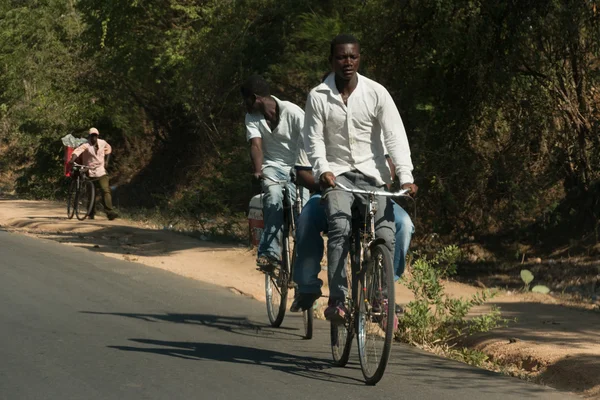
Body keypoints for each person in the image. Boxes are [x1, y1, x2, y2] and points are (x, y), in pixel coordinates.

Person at [304, 34, 417, 323]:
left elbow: (394, 135)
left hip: (373, 177)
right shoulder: (318, 96)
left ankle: (381, 296)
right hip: (337, 176)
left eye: (353, 56)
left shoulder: (376, 93)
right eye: (342, 57)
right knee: (340, 227)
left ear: (360, 58)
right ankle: (338, 300)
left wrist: (405, 176)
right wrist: (322, 170)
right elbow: (314, 139)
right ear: (331, 61)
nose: (348, 62)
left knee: (386, 233)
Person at [241, 75, 307, 272]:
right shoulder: (252, 117)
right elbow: (256, 145)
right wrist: (258, 170)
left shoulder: (294, 113)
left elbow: (309, 145)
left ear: (255, 98)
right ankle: (270, 253)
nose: (244, 105)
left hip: (299, 166)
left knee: (303, 214)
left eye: (245, 100)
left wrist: (303, 170)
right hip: (272, 167)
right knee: (272, 196)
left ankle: (305, 265)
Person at [69, 127, 118, 220]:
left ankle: (109, 212)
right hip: (89, 171)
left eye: (95, 136)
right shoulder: (86, 145)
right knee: (91, 194)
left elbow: (109, 149)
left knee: (105, 190)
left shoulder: (103, 143)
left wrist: (107, 161)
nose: (94, 138)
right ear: (89, 136)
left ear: (98, 136)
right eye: (92, 136)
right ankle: (91, 213)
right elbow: (77, 151)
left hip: (100, 171)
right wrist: (72, 159)